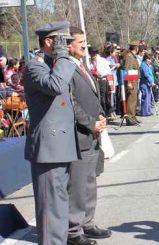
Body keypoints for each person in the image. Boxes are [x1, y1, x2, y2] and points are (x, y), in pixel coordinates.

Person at [23, 21, 79, 245]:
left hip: (60, 145)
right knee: (50, 209)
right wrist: (64, 57)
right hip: (49, 148)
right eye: (61, 43)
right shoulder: (35, 66)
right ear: (48, 42)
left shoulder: (53, 64)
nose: (65, 48)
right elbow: (55, 86)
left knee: (59, 205)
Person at [66, 26, 111, 245]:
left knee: (90, 182)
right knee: (78, 186)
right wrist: (91, 123)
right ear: (68, 45)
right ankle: (74, 232)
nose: (85, 45)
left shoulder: (82, 65)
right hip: (79, 136)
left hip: (93, 135)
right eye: (80, 42)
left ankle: (88, 223)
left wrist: (101, 115)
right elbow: (71, 105)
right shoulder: (65, 69)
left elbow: (92, 97)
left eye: (85, 41)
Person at [122, 42, 139, 125]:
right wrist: (129, 82)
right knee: (131, 100)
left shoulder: (133, 56)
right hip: (131, 81)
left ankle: (133, 116)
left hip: (134, 79)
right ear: (136, 48)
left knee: (134, 99)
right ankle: (129, 118)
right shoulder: (129, 57)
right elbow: (127, 69)